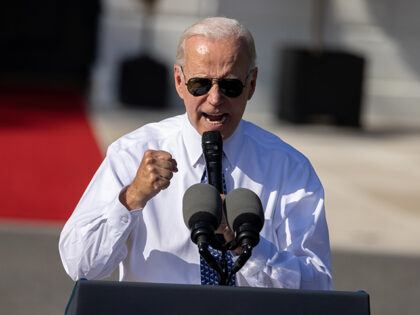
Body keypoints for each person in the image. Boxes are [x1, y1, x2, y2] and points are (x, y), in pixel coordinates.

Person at [59, 17, 332, 289]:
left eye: (230, 86)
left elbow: (317, 287)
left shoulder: (289, 168)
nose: (214, 99)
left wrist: (247, 248)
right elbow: (81, 265)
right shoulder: (132, 154)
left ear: (251, 85)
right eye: (200, 84)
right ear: (179, 81)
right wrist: (131, 199)